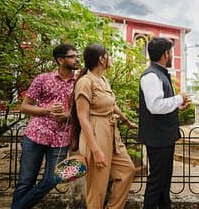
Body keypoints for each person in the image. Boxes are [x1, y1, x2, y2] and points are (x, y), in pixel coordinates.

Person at [12, 43, 80, 209]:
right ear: (60, 60)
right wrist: (47, 110)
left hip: (61, 139)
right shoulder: (43, 79)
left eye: (77, 55)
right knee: (25, 181)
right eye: (73, 56)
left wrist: (68, 117)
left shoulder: (80, 82)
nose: (77, 59)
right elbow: (24, 106)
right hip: (35, 135)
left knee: (53, 178)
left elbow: (83, 111)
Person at [70, 43, 136, 209]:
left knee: (127, 170)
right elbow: (82, 118)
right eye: (109, 54)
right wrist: (96, 150)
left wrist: (125, 120)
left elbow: (111, 104)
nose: (111, 58)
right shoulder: (85, 82)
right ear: (101, 59)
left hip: (111, 132)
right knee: (97, 187)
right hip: (95, 132)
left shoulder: (103, 79)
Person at [139, 37, 189, 209]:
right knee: (156, 182)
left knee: (163, 182)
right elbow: (155, 106)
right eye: (171, 52)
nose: (172, 55)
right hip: (158, 138)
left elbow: (161, 103)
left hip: (163, 137)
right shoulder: (151, 75)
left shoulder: (158, 73)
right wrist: (178, 98)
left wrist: (177, 105)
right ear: (165, 54)